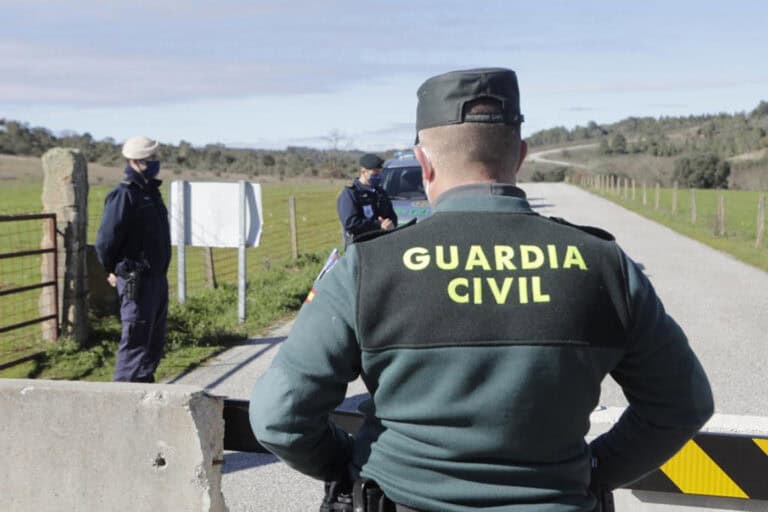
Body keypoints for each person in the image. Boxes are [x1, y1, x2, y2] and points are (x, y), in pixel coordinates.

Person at [250, 68, 714, 511]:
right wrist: (593, 471)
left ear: (425, 164)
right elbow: (681, 404)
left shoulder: (368, 266)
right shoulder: (604, 264)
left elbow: (280, 417)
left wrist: (351, 465)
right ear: (520, 155)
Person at [95, 135, 171, 383]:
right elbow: (106, 240)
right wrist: (112, 269)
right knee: (136, 339)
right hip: (133, 277)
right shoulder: (124, 195)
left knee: (153, 343)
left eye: (155, 158)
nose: (155, 162)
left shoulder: (150, 193)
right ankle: (122, 400)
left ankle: (144, 393)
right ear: (135, 161)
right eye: (151, 158)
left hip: (157, 278)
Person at [337, 153, 398, 247]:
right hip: (360, 247)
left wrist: (391, 224)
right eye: (375, 173)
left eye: (380, 173)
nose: (378, 176)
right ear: (363, 171)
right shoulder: (350, 193)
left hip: (381, 244)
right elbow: (350, 223)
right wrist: (378, 225)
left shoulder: (380, 192)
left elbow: (392, 216)